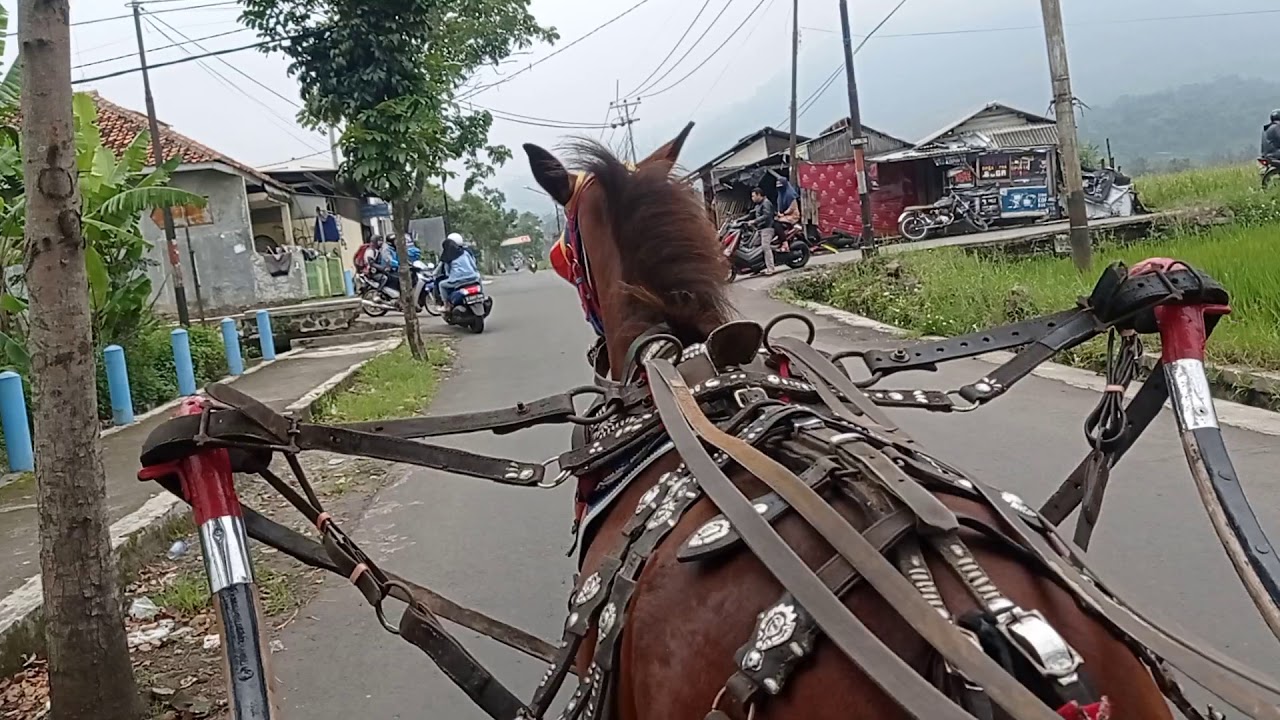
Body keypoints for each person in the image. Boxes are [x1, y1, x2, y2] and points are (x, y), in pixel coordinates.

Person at [434, 232, 482, 306]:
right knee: (478, 276)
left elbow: (447, 273)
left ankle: (446, 305)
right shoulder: (466, 252)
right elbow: (474, 265)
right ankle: (481, 295)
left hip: (458, 281)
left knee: (441, 285)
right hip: (473, 278)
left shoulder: (448, 255)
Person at [749, 186, 777, 274]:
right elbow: (751, 214)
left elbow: (766, 215)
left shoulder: (766, 203)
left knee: (765, 247)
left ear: (759, 195)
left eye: (753, 196)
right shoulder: (758, 205)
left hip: (767, 228)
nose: (752, 198)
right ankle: (757, 268)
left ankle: (771, 268)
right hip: (760, 229)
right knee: (754, 246)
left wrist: (755, 221)